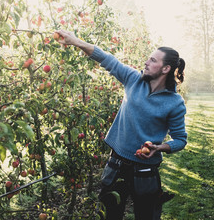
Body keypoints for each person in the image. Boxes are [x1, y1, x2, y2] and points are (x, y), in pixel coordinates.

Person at [55, 30, 187, 220]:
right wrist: (76, 42)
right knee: (110, 215)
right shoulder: (133, 79)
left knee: (147, 215)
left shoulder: (175, 102)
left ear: (165, 69)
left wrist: (159, 148)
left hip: (146, 170)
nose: (146, 62)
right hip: (116, 164)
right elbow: (106, 59)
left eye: (152, 60)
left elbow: (181, 139)